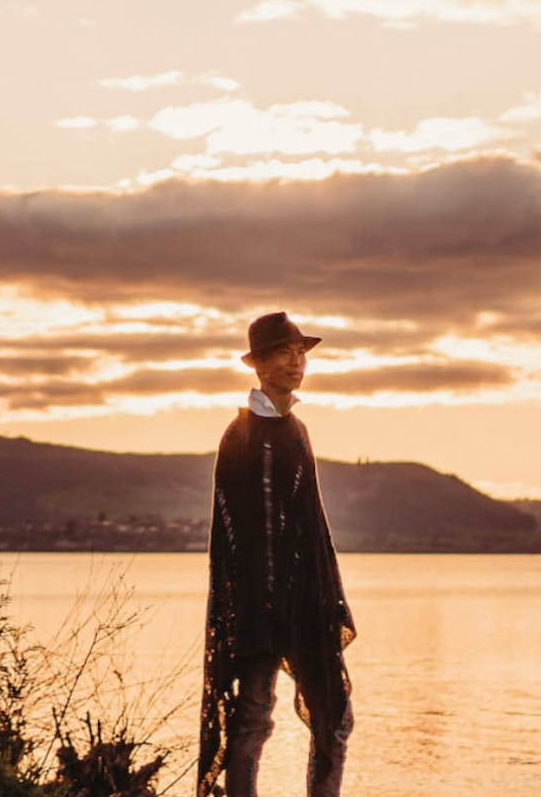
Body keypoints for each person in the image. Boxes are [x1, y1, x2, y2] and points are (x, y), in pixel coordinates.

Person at [198, 312, 356, 797]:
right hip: (256, 610)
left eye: (301, 353)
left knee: (334, 717)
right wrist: (261, 608)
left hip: (304, 602)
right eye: (284, 354)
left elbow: (306, 524)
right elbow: (241, 536)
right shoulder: (240, 436)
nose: (296, 362)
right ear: (259, 366)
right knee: (252, 722)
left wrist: (322, 599)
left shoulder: (297, 430)